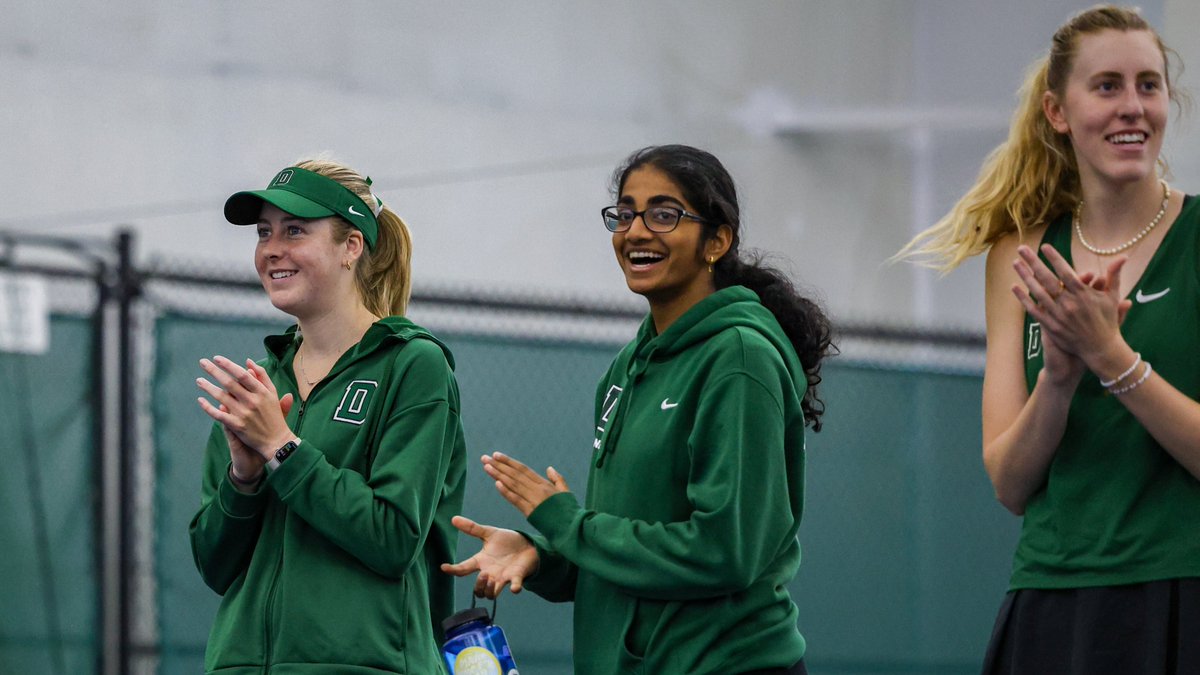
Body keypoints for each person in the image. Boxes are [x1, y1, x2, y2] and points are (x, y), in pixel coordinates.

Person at [443, 144, 832, 674]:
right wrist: (546, 559)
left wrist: (568, 526)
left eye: (664, 214)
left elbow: (725, 551)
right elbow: (635, 547)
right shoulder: (628, 365)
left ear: (716, 241)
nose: (636, 231)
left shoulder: (739, 359)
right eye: (625, 214)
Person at [898, 6, 1200, 672]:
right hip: (1052, 600)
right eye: (1108, 86)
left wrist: (1112, 358)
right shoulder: (1020, 253)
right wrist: (1060, 377)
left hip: (1184, 589)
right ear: (1058, 111)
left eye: (1148, 85)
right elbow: (1009, 481)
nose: (1132, 107)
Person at [189, 159, 467, 674]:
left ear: (351, 246)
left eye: (295, 230)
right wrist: (244, 477)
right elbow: (215, 565)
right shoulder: (261, 384)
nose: (272, 248)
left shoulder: (413, 364)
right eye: (264, 232)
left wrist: (283, 449)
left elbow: (393, 538)